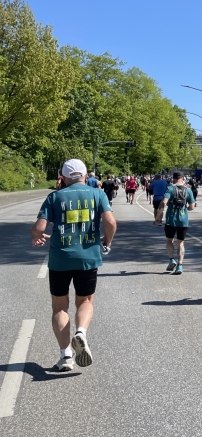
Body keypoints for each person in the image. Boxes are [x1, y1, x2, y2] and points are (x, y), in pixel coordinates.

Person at [31, 159, 116, 371]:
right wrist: (107, 241)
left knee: (59, 306)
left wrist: (37, 236)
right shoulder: (98, 194)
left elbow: (39, 228)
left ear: (63, 177)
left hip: (60, 259)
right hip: (87, 257)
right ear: (85, 175)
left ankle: (66, 355)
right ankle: (81, 332)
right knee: (85, 300)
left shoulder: (54, 197)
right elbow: (110, 222)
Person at [159, 172, 196, 275]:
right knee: (180, 243)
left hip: (171, 220)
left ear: (173, 178)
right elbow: (192, 206)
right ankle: (180, 265)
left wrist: (158, 216)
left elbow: (164, 202)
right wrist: (186, 208)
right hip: (183, 220)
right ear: (183, 178)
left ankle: (172, 259)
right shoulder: (188, 190)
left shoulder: (170, 189)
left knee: (169, 240)